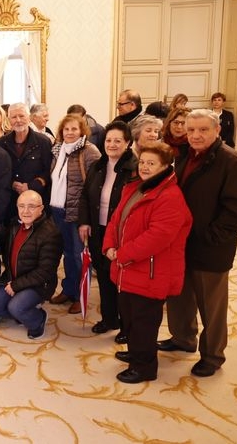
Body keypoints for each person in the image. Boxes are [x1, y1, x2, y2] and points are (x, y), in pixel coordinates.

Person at [158, 109, 237, 377]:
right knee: (180, 295)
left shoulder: (230, 161)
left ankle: (212, 355)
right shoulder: (185, 155)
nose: (196, 135)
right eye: (191, 130)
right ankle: (183, 338)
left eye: (202, 130)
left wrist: (209, 236)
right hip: (182, 243)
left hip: (211, 247)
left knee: (211, 305)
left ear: (217, 131)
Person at [103, 142, 192, 384]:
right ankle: (135, 352)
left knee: (144, 322)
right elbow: (115, 219)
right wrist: (109, 245)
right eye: (142, 162)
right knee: (129, 317)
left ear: (165, 166)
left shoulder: (170, 197)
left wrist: (121, 254)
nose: (144, 167)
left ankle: (144, 368)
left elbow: (157, 238)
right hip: (128, 268)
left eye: (151, 163)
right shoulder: (135, 188)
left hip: (151, 271)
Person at [77, 122, 138, 339]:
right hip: (98, 230)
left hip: (122, 234)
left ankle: (126, 325)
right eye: (108, 140)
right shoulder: (98, 165)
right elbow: (85, 196)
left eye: (117, 141)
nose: (111, 145)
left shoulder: (135, 169)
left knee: (121, 279)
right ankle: (109, 318)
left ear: (128, 143)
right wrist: (84, 222)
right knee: (103, 275)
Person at [0, 190, 62, 339]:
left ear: (41, 208)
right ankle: (22, 312)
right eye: (21, 206)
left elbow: (45, 271)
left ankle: (38, 320)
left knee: (15, 307)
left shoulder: (51, 233)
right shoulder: (15, 225)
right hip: (12, 278)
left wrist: (16, 286)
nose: (25, 211)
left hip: (39, 284)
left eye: (32, 206)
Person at [47, 114, 101, 314]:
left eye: (74, 129)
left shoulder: (89, 151)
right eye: (66, 129)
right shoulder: (58, 149)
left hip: (78, 213)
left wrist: (86, 218)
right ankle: (69, 290)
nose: (69, 133)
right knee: (67, 255)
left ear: (82, 131)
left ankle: (81, 296)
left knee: (80, 256)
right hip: (58, 210)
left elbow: (95, 185)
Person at [0, 104, 53, 222]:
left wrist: (30, 186)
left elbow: (49, 171)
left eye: (21, 116)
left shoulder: (43, 142)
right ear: (8, 120)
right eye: (14, 117)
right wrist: (11, 183)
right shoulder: (1, 144)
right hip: (10, 202)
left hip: (35, 203)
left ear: (29, 118)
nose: (18, 120)